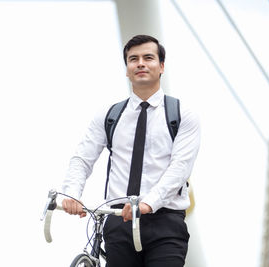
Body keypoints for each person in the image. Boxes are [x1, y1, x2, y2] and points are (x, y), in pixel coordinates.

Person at [61, 35, 200, 267]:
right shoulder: (109, 115)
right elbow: (82, 158)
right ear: (127, 69)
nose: (141, 63)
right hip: (119, 221)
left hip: (165, 222)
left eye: (148, 58)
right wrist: (71, 192)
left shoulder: (182, 115)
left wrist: (149, 203)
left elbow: (180, 169)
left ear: (162, 66)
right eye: (133, 59)